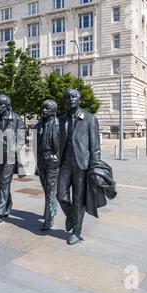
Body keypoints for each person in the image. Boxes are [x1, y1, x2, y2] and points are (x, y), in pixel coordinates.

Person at [57, 88, 101, 245]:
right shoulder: (61, 120)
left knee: (78, 199)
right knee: (60, 195)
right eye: (67, 97)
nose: (71, 99)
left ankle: (76, 231)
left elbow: (95, 147)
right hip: (65, 163)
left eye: (74, 96)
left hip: (82, 165)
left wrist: (95, 167)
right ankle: (71, 216)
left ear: (79, 99)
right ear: (64, 101)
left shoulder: (90, 119)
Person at [0, 94, 26, 224]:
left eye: (1, 104)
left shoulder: (16, 119)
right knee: (2, 183)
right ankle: (8, 202)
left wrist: (14, 149)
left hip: (10, 156)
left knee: (5, 183)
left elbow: (21, 138)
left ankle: (0, 212)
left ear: (8, 105)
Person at [34, 100, 60, 231]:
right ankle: (49, 210)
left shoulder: (59, 124)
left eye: (47, 109)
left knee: (50, 190)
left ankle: (49, 218)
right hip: (41, 160)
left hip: (53, 161)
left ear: (53, 110)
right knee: (46, 189)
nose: (44, 111)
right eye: (43, 108)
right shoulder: (38, 125)